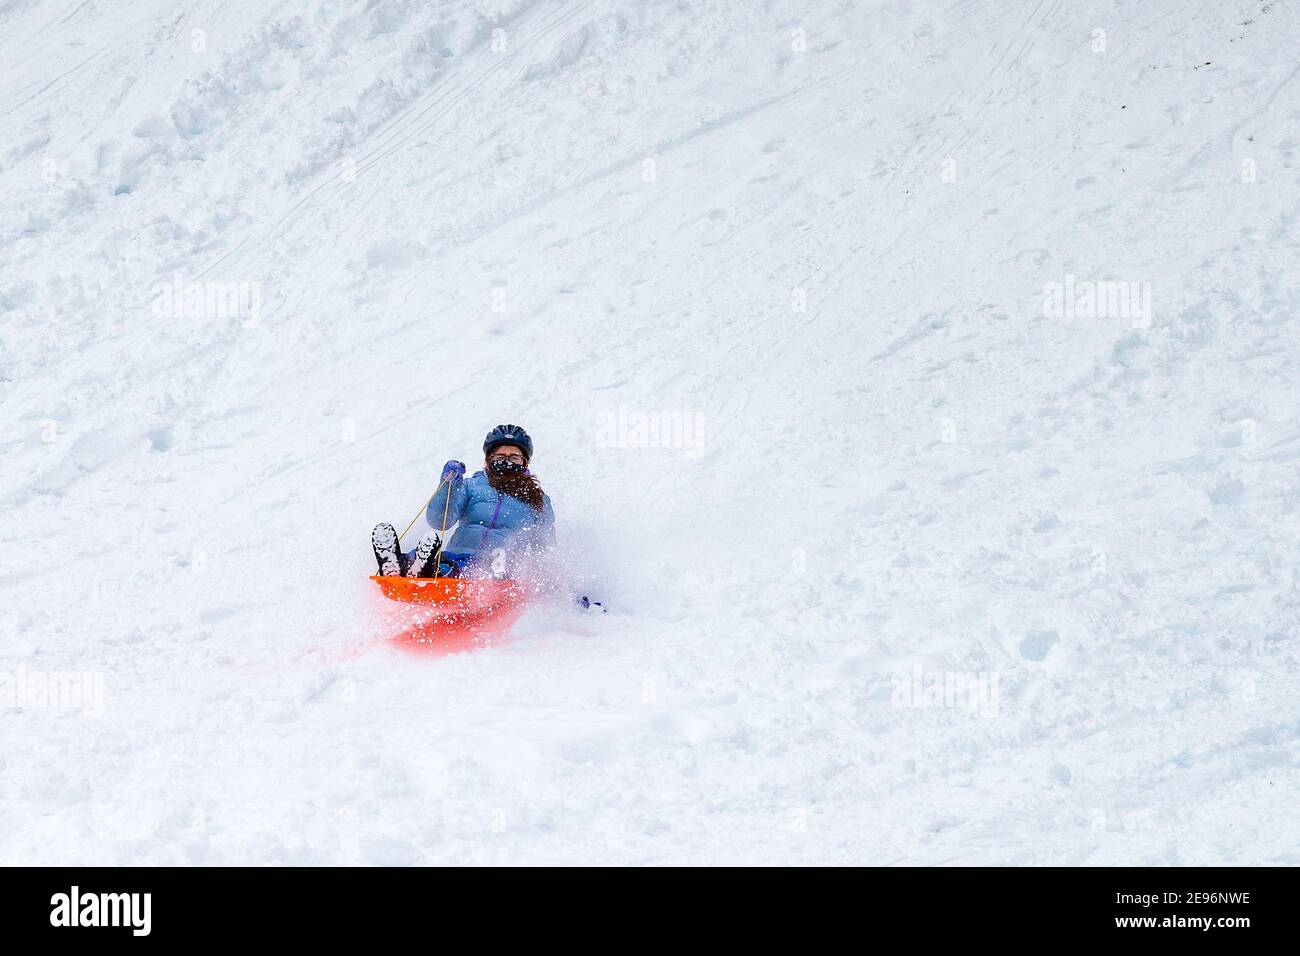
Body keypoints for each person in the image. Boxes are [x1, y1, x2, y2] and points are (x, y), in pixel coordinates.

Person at [370, 424, 556, 579]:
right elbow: (438, 520)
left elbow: (547, 551)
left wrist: (564, 592)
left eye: (514, 457)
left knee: (469, 567)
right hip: (457, 552)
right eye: (500, 457)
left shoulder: (538, 500)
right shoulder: (471, 486)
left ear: (524, 462)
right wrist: (449, 486)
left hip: (498, 567)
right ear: (488, 460)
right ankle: (402, 565)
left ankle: (430, 572)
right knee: (443, 559)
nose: (507, 462)